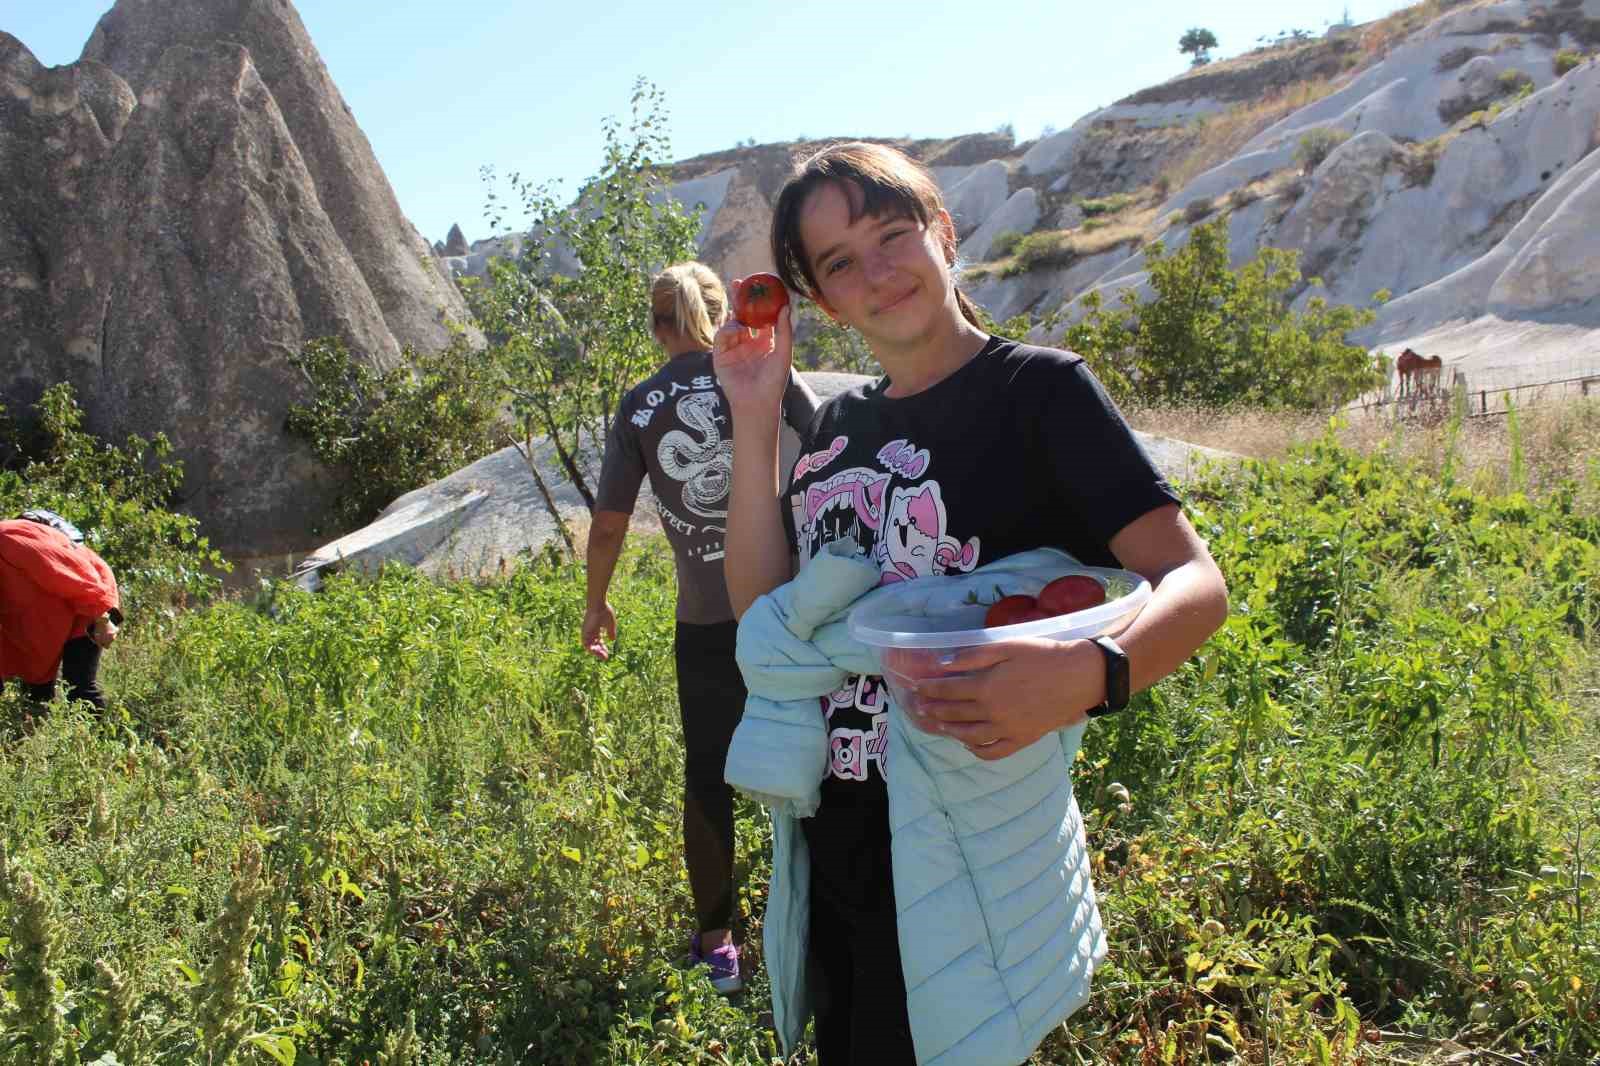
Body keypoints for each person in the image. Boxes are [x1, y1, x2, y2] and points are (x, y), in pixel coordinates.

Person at [714, 143, 1229, 1064]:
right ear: (825, 302)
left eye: (891, 234)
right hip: (838, 836)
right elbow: (770, 620)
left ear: (943, 235)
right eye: (840, 263)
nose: (876, 271)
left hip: (966, 843)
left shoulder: (1039, 394)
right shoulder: (838, 428)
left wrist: (1089, 674)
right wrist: (756, 419)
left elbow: (1195, 585)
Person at [583, 260, 820, 994]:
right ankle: (826, 924)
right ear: (721, 312)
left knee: (709, 777)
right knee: (822, 765)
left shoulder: (640, 405)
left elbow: (610, 523)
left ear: (655, 327)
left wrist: (597, 602)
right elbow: (837, 453)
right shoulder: (771, 370)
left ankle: (719, 946)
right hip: (793, 610)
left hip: (708, 624)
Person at [0, 513, 122, 712]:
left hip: (86, 593)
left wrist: (103, 617)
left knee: (79, 688)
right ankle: (34, 737)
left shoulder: (9, 541)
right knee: (35, 697)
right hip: (43, 620)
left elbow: (73, 571)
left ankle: (97, 740)